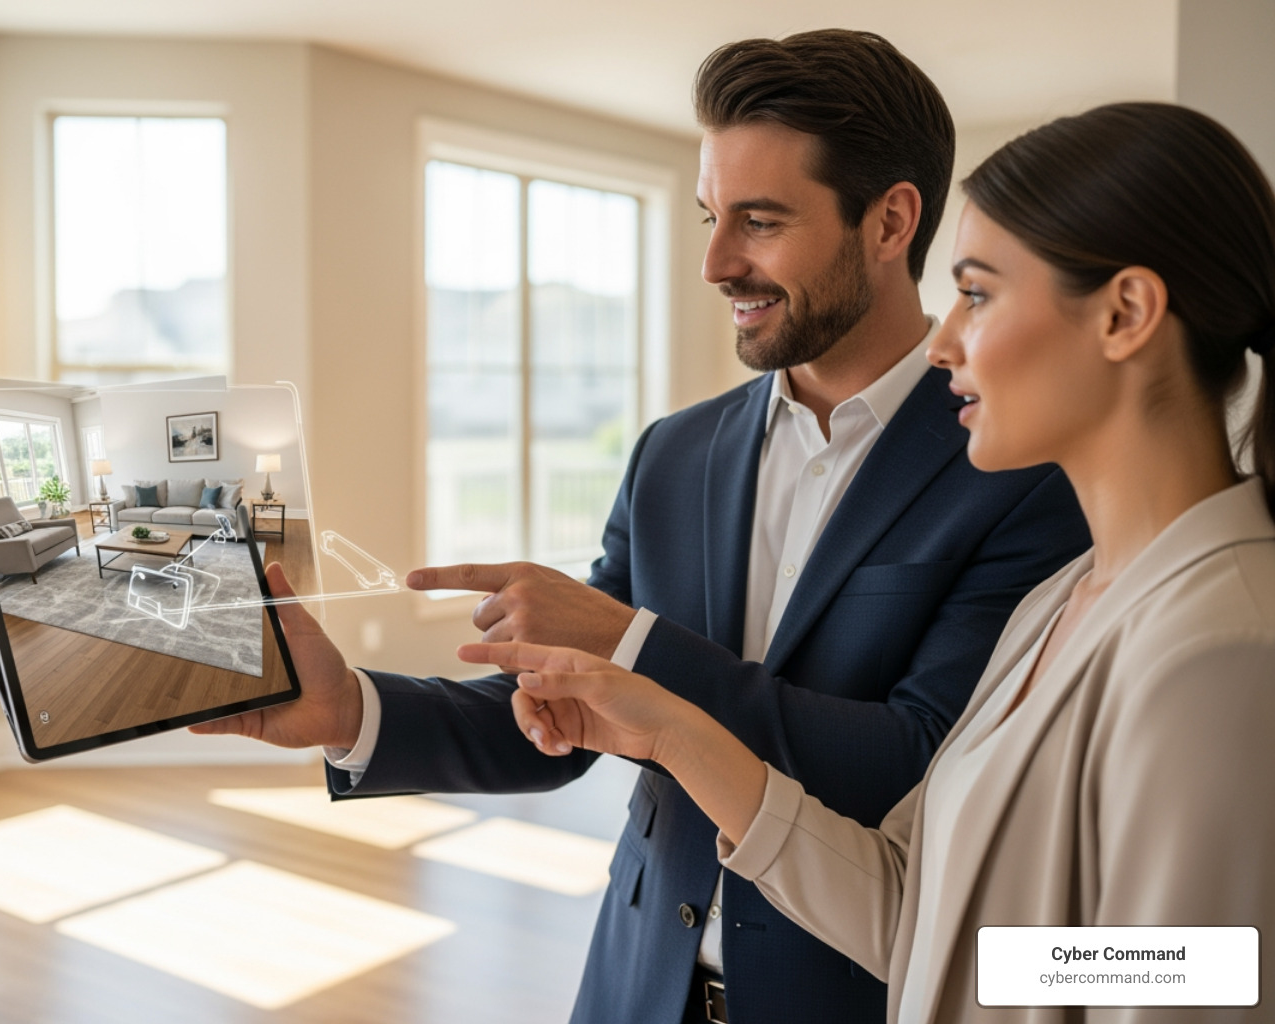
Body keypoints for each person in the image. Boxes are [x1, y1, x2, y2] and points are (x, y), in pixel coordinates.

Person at [193, 30, 1091, 1024]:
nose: (714, 261)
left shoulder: (1020, 472)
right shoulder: (675, 452)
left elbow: (914, 765)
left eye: (758, 220)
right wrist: (352, 710)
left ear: (889, 222)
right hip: (634, 986)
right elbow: (565, 716)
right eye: (711, 216)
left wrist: (632, 644)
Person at [462, 101, 1275, 1024]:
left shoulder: (1223, 649)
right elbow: (916, 911)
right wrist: (676, 735)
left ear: (1125, 313)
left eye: (978, 294)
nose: (944, 340)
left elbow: (1195, 978)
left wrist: (966, 956)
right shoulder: (1061, 603)